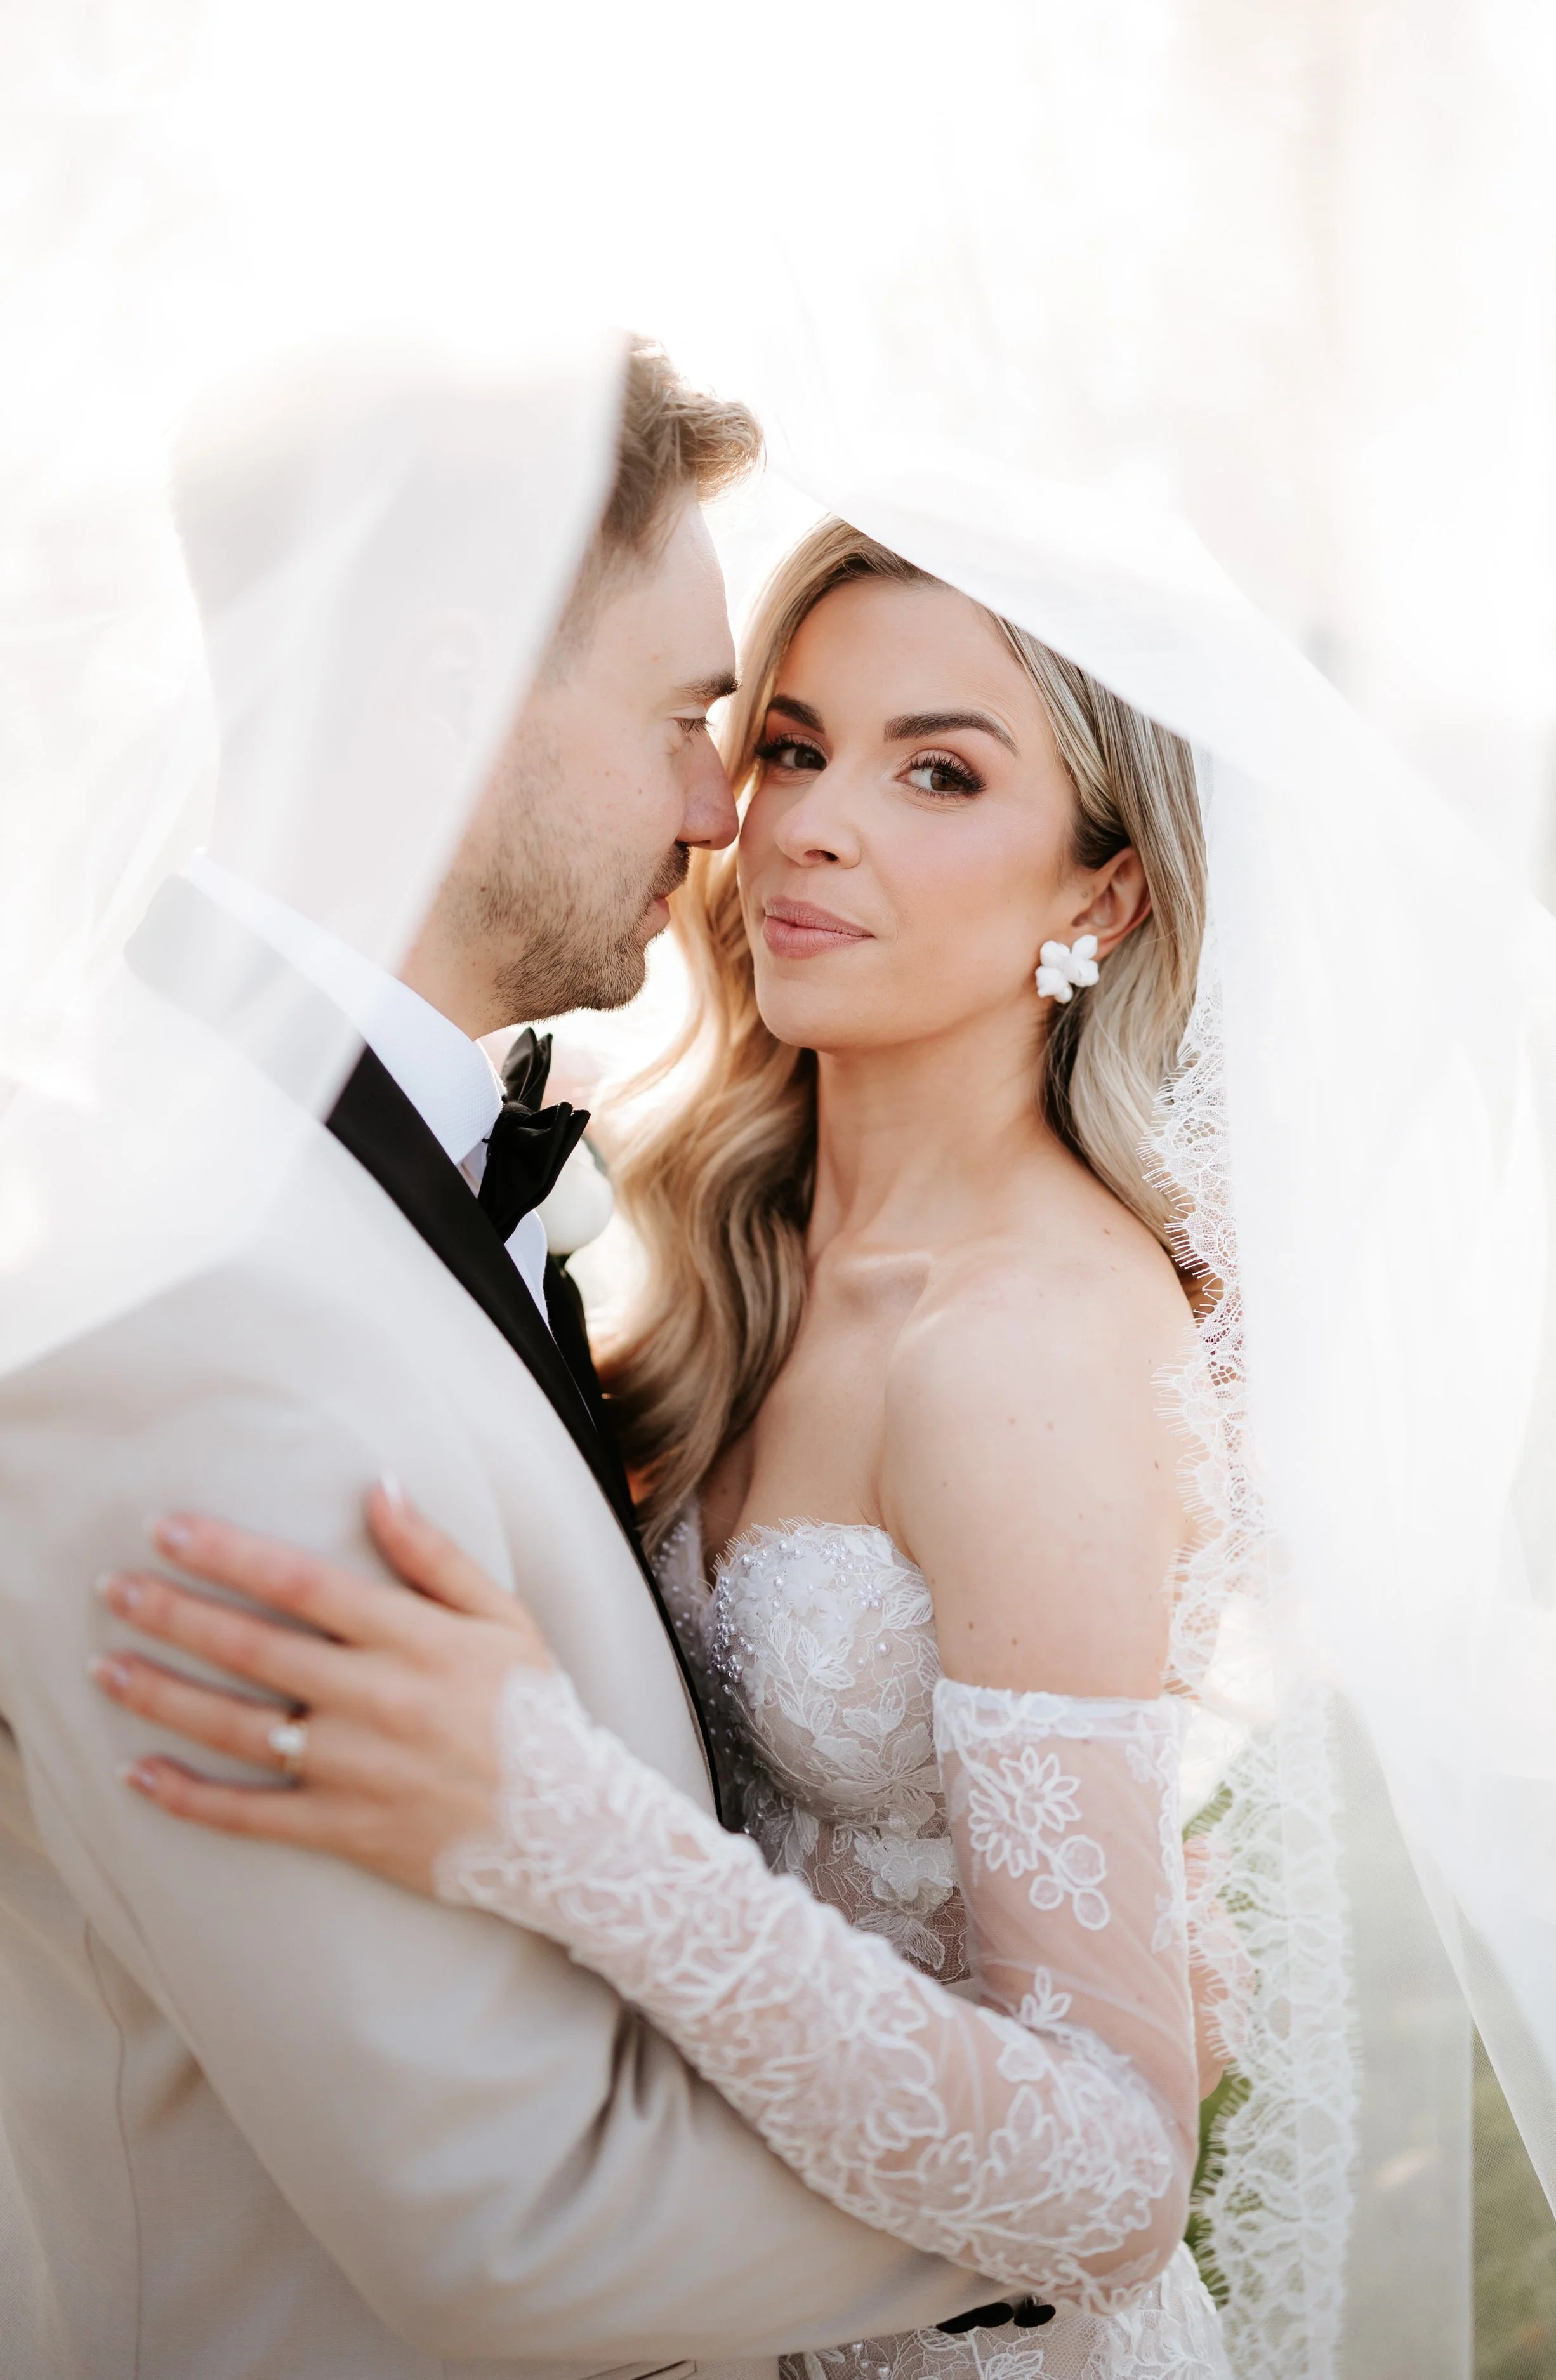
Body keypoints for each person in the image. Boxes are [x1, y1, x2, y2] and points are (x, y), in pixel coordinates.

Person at [89, 519, 1245, 2378]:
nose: (801, 823)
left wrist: (547, 1812)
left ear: (1099, 894)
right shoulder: (735, 1245)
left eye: (935, 770)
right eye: (786, 742)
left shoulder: (1031, 1347)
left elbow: (1114, 2180)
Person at [0, 346, 1020, 2380]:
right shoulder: (187, 1310)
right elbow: (513, 2223)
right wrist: (1041, 2168)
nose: (726, 811)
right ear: (451, 692)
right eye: (687, 718)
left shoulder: (323, 1152)